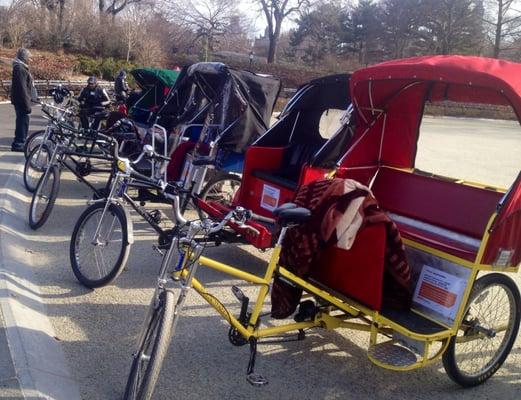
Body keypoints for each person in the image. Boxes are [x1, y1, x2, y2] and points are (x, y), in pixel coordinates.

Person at [10, 48, 37, 152]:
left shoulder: (21, 67)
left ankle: (19, 142)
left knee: (22, 122)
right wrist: (27, 104)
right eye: (29, 57)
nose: (30, 60)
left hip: (21, 100)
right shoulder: (20, 69)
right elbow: (22, 88)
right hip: (21, 101)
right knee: (22, 122)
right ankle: (19, 144)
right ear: (24, 57)